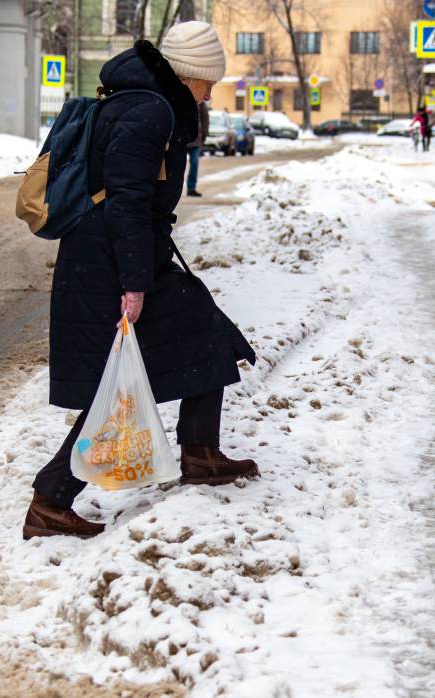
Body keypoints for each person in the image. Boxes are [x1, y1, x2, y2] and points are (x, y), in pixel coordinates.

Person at [24, 22, 259, 540]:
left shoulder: (146, 101)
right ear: (189, 73)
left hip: (118, 254)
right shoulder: (150, 109)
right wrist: (134, 284)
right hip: (110, 261)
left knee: (204, 332)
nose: (210, 92)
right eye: (208, 81)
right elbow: (127, 201)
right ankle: (50, 499)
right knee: (116, 385)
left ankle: (200, 451)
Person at [186, 101, 209, 197]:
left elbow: (205, 119)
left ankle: (191, 188)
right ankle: (173, 189)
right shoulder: (181, 96)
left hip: (195, 139)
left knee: (194, 163)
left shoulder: (200, 101)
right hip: (182, 139)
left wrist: (203, 136)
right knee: (177, 165)